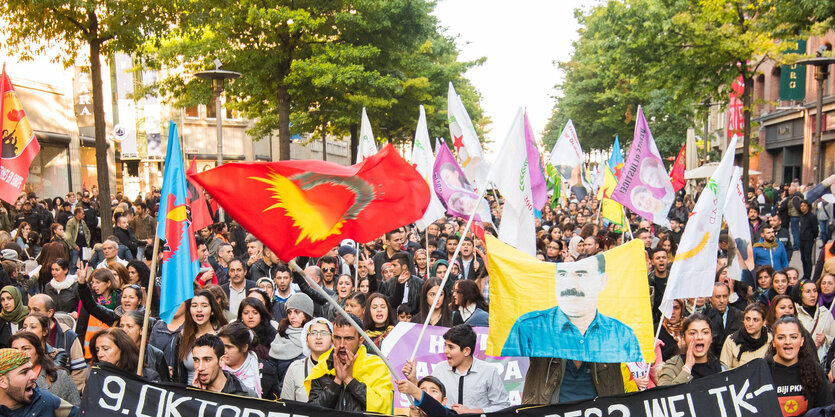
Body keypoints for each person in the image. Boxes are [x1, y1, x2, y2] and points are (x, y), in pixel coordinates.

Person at [502, 254, 641, 361]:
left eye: (581, 274)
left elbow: (634, 379)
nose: (570, 285)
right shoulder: (529, 327)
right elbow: (512, 380)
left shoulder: (622, 334)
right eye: (562, 274)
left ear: (602, 281)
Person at [404, 324, 509, 412]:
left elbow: (503, 406)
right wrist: (413, 379)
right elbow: (428, 398)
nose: (445, 351)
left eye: (451, 347)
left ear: (466, 351)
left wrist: (470, 412)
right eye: (445, 345)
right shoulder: (440, 369)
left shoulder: (488, 371)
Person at [305, 314, 393, 413]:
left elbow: (383, 406)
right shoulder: (323, 367)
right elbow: (312, 411)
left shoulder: (376, 366)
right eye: (337, 338)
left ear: (360, 340)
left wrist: (349, 380)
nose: (342, 344)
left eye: (348, 338)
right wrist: (337, 381)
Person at [767, 316, 833, 415]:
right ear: (774, 342)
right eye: (781, 337)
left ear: (801, 341)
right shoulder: (762, 370)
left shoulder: (814, 370)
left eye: (793, 337)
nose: (787, 342)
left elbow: (826, 410)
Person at [167, 290, 229, 384]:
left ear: (212, 310)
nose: (199, 309)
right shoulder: (183, 337)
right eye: (194, 306)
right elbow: (178, 374)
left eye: (204, 306)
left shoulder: (223, 336)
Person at [26, 295, 86, 390]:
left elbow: (79, 372)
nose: (31, 314)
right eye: (29, 310)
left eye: (36, 310)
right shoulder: (22, 335)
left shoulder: (68, 336)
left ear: (50, 313)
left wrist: (67, 394)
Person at [0, 348, 78, 417]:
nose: (34, 376)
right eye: (24, 372)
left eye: (31, 369)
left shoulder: (45, 401)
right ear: (3, 382)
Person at [9, 332, 79, 406]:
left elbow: (76, 410)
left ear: (38, 351)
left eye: (26, 349)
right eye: (15, 350)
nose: (20, 353)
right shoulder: (6, 379)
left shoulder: (60, 377)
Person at [218, 322, 280, 400]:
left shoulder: (267, 371)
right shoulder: (213, 368)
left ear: (244, 347)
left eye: (229, 347)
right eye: (222, 346)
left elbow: (274, 404)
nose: (224, 351)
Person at [657, 313, 721, 385]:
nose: (699, 337)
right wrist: (687, 368)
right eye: (693, 333)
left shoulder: (722, 368)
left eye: (705, 332)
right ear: (684, 338)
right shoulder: (672, 368)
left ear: (711, 338)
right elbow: (664, 393)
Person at [281, 317, 333, 401]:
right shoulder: (295, 368)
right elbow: (285, 404)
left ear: (332, 340)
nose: (318, 337)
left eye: (324, 333)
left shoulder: (340, 368)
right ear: (306, 340)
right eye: (313, 333)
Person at [190, 333, 257, 397]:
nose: (201, 367)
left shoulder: (247, 396)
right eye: (196, 360)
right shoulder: (189, 395)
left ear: (221, 361)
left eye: (207, 360)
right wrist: (195, 396)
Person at [269, 293, 313, 386]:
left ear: (307, 314)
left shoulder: (315, 336)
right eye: (289, 312)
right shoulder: (281, 335)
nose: (292, 316)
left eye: (297, 312)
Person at [117, 310, 169, 382]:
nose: (124, 330)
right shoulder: (115, 351)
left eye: (129, 326)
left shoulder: (156, 354)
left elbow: (165, 384)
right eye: (121, 326)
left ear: (141, 330)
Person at [90, 328, 160, 381]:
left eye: (106, 349)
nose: (100, 354)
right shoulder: (95, 375)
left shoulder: (148, 376)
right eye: (97, 350)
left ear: (122, 348)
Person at [719, 303, 771, 370]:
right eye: (747, 319)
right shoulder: (731, 340)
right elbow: (724, 368)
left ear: (764, 322)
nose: (750, 324)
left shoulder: (771, 341)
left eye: (755, 320)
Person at [793, 279, 835, 360]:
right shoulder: (795, 315)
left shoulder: (825, 312)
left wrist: (825, 338)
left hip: (824, 361)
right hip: (804, 361)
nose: (813, 295)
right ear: (800, 294)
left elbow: (834, 336)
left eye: (815, 291)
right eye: (808, 292)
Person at [704, 282, 743, 356]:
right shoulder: (704, 317)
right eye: (718, 297)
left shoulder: (739, 316)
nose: (722, 301)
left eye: (725, 296)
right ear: (710, 298)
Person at [799, 201, 818, 280]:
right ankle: (805, 274)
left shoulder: (812, 216)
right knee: (803, 258)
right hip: (802, 239)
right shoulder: (801, 216)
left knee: (807, 258)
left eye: (804, 206)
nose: (802, 207)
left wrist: (813, 237)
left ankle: (808, 275)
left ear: (808, 207)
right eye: (801, 206)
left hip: (808, 239)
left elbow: (815, 228)